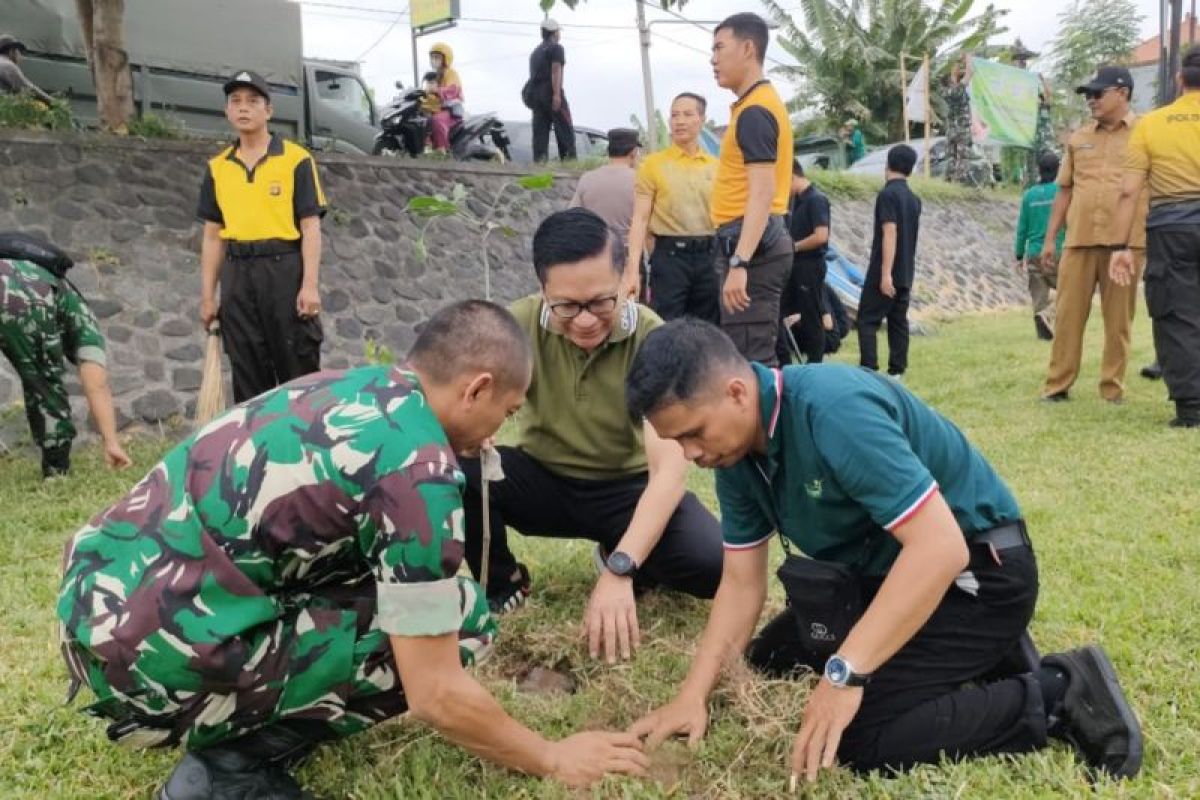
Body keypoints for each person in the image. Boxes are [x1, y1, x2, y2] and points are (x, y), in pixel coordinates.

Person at [57, 300, 651, 799]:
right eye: (507, 411)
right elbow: (436, 691)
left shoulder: (351, 386)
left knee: (403, 599)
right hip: (149, 664)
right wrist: (551, 756)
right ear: (478, 388)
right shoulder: (419, 470)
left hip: (94, 609)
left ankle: (238, 706)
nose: (499, 431)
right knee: (464, 619)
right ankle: (227, 770)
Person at [624, 319, 1144, 785]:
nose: (691, 455)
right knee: (771, 660)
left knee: (858, 738)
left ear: (737, 392)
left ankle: (1059, 692)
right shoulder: (735, 453)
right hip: (884, 573)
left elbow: (941, 548)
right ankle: (982, 656)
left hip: (980, 576)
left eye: (693, 434)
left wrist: (845, 674)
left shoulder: (832, 410)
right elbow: (740, 583)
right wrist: (692, 694)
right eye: (678, 443)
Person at [461, 209, 723, 664]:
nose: (584, 321)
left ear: (626, 277)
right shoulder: (515, 326)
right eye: (566, 306)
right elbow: (467, 403)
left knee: (712, 564)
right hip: (542, 479)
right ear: (542, 288)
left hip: (626, 490)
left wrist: (621, 570)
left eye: (601, 301)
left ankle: (622, 553)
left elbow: (667, 474)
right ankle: (503, 585)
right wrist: (475, 432)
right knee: (459, 470)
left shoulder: (650, 337)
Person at [197, 70, 326, 404]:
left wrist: (309, 285)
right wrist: (208, 296)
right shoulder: (218, 168)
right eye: (236, 101)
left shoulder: (296, 159)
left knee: (297, 368)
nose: (244, 108)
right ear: (227, 111)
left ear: (268, 111)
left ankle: (304, 448)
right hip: (238, 275)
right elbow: (213, 237)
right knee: (247, 370)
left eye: (253, 101)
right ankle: (259, 450)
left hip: (284, 270)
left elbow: (310, 226)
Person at [1040, 66, 1147, 404]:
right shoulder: (1078, 138)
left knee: (1118, 322)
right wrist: (1049, 238)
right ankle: (1057, 386)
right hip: (1079, 241)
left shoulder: (1146, 133)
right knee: (1068, 316)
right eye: (1088, 95)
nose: (1091, 100)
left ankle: (1111, 388)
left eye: (1098, 93)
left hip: (1126, 245)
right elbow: (1064, 191)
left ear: (1123, 93)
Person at [1109, 47, 1200, 428]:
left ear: (1180, 80)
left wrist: (1120, 246)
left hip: (1171, 227)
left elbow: (1129, 191)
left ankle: (1192, 409)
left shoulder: (1151, 125)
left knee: (1177, 315)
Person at [709, 12, 795, 366]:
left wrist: (740, 262)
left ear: (747, 48)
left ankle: (769, 423)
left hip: (751, 245)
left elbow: (762, 192)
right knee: (748, 354)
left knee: (751, 363)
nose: (713, 59)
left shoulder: (755, 112)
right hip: (752, 240)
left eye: (719, 48)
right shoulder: (753, 105)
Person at [0, 248, 130, 478]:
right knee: (42, 380)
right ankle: (56, 470)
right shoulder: (84, 322)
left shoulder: (58, 288)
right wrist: (111, 443)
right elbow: (96, 384)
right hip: (20, 294)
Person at [622, 92, 720, 322]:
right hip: (670, 258)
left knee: (709, 328)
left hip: (710, 257)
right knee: (666, 325)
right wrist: (632, 270)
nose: (680, 121)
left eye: (688, 114)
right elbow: (640, 219)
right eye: (675, 115)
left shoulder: (716, 167)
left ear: (701, 119)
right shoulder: (652, 165)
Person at [857, 145, 922, 377]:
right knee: (897, 321)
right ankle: (897, 372)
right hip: (906, 270)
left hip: (885, 270)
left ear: (887, 164)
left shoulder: (887, 195)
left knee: (866, 320)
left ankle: (869, 372)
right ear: (910, 170)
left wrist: (885, 274)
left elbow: (890, 232)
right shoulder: (914, 200)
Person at [776, 159, 832, 365]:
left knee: (811, 318)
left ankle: (816, 364)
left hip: (810, 264)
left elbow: (821, 235)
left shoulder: (816, 200)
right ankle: (784, 361)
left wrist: (795, 246)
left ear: (792, 176)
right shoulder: (795, 202)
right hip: (794, 266)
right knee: (778, 312)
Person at [1015, 152, 1066, 341]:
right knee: (1071, 290)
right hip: (1057, 251)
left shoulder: (1029, 195)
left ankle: (1042, 329)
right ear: (1058, 169)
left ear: (1039, 169)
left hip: (1034, 252)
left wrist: (1019, 255)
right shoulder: (1062, 192)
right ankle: (1049, 314)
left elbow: (1022, 228)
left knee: (1039, 294)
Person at [569, 128, 641, 249]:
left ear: (608, 151)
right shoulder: (640, 180)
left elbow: (572, 215)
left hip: (596, 253)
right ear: (633, 152)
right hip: (628, 254)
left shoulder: (587, 178)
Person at [525, 19, 576, 163]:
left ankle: (540, 164)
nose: (560, 34)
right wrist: (557, 94)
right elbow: (555, 69)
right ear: (554, 33)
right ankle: (569, 163)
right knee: (564, 128)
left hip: (536, 95)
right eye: (559, 31)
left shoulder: (535, 53)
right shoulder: (556, 48)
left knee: (540, 132)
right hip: (550, 91)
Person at [420, 43, 463, 153]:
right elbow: (428, 93)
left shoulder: (451, 73)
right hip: (436, 108)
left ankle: (441, 150)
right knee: (420, 119)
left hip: (450, 111)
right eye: (432, 57)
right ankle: (426, 148)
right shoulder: (435, 75)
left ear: (445, 59)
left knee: (437, 120)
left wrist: (438, 90)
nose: (434, 60)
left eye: (437, 57)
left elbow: (453, 90)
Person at [943, 56, 973, 185]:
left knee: (951, 156)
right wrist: (968, 58)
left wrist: (954, 72)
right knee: (963, 156)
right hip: (962, 129)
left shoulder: (946, 92)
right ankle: (959, 181)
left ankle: (948, 179)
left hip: (951, 130)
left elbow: (955, 76)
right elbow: (970, 72)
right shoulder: (959, 89)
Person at [0, 34, 54, 105]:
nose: (20, 56)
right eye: (19, 52)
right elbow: (27, 89)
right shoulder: (8, 65)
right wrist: (55, 103)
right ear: (12, 51)